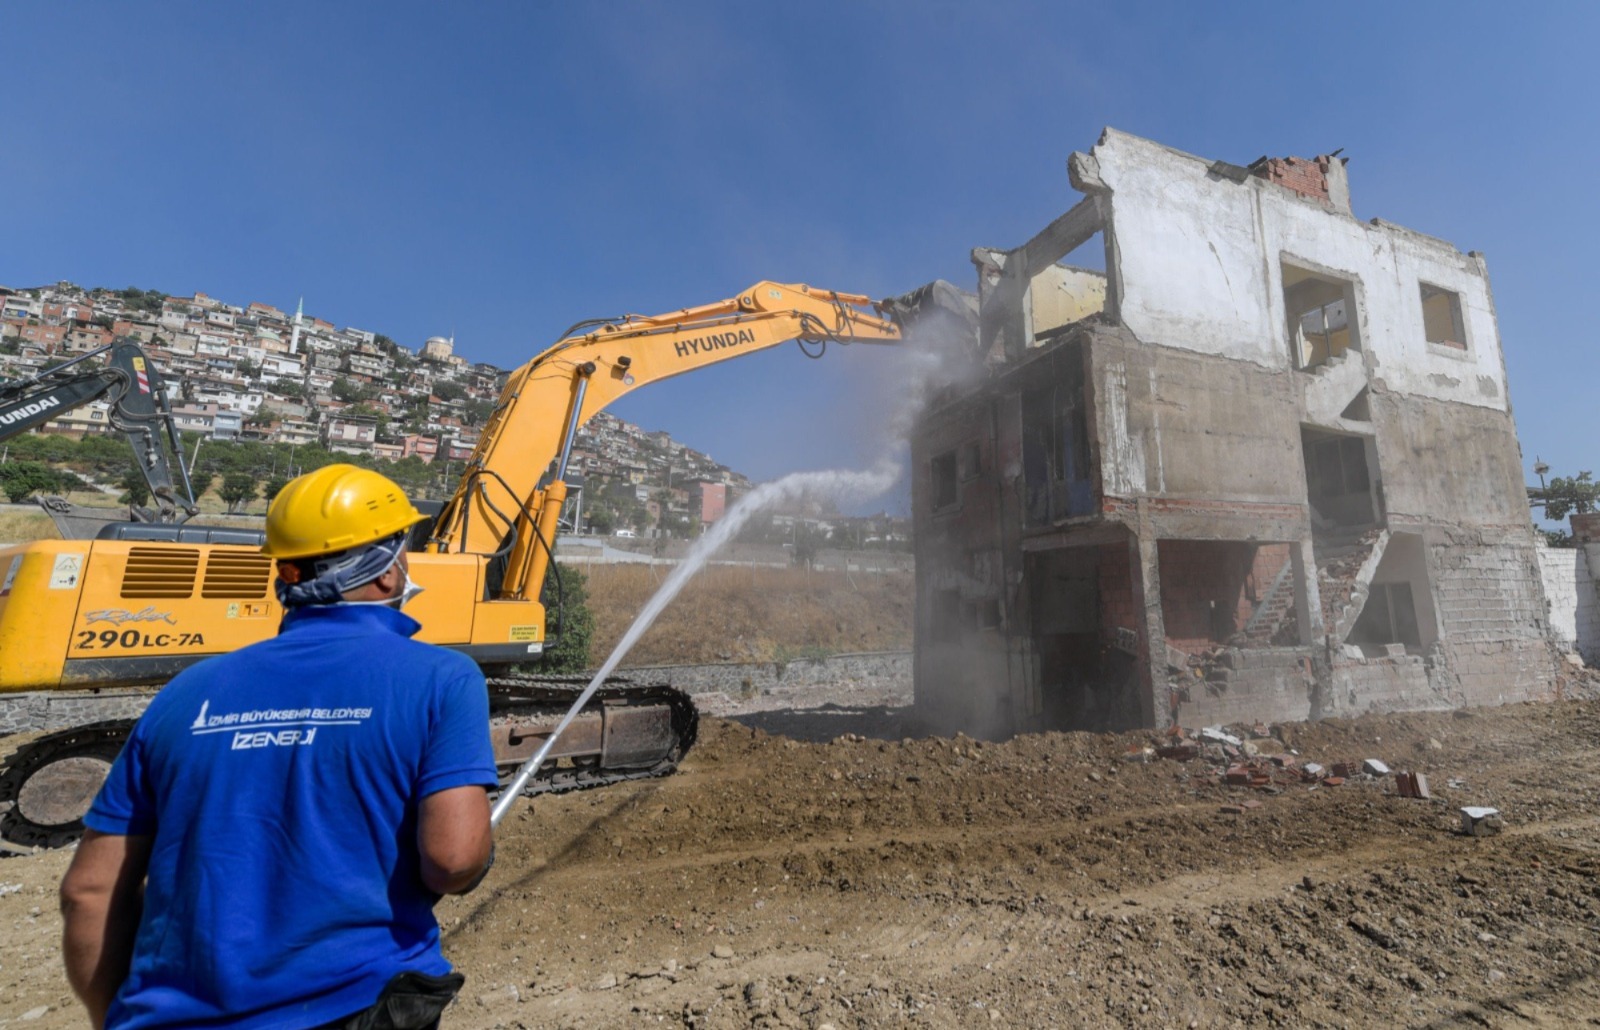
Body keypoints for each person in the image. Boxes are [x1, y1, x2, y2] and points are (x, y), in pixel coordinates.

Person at [60, 464, 498, 1029]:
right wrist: (477, 855)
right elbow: (452, 861)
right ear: (389, 573)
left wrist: (118, 1019)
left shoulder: (185, 693)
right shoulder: (442, 679)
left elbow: (89, 891)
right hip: (353, 1006)